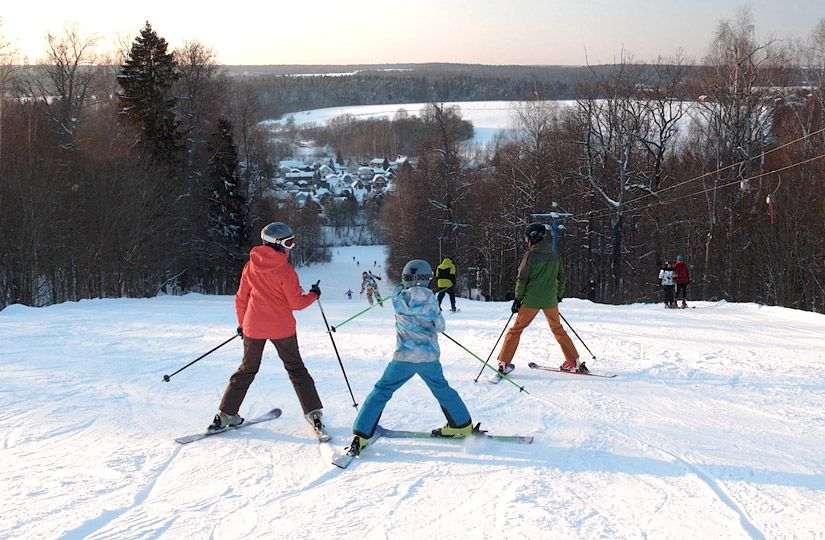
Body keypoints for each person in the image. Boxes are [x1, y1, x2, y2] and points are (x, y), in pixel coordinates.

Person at [208, 222, 330, 442]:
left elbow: (241, 298)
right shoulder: (285, 270)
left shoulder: (250, 266)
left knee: (247, 369)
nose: (290, 248)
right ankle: (313, 414)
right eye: (288, 243)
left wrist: (242, 324)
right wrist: (313, 294)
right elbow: (297, 304)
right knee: (296, 369)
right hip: (282, 328)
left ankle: (225, 414)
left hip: (253, 326)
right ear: (276, 244)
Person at [347, 260, 473, 455]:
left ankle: (362, 433)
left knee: (382, 390)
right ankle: (461, 424)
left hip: (403, 358)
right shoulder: (431, 299)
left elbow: (400, 289)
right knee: (441, 388)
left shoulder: (398, 298)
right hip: (428, 358)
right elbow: (440, 326)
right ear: (427, 279)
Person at [496, 223, 585, 375]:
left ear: (533, 237)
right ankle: (574, 361)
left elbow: (522, 279)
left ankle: (504, 364)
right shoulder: (554, 254)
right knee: (558, 329)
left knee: (516, 330)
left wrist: (518, 299)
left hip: (531, 300)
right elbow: (562, 277)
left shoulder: (530, 255)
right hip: (550, 300)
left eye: (526, 238)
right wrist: (558, 295)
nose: (526, 241)